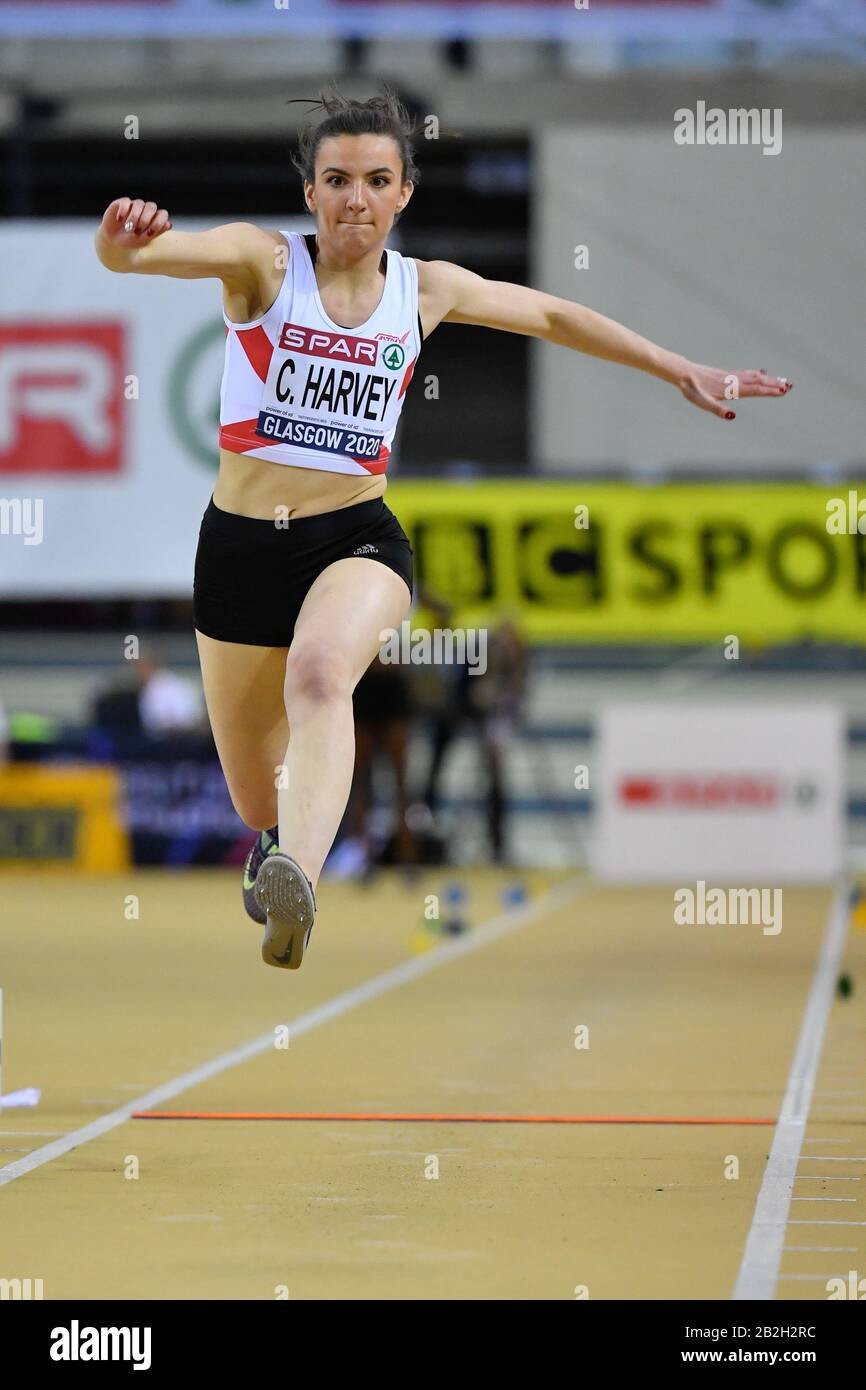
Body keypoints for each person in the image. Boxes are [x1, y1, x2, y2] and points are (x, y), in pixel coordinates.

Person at [93, 85, 792, 971]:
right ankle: (275, 845)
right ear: (310, 191)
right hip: (238, 552)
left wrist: (677, 367)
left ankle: (298, 880)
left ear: (404, 192)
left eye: (377, 180)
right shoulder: (266, 264)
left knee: (320, 677)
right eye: (337, 179)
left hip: (354, 542)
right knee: (249, 791)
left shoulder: (425, 291)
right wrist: (120, 242)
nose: (356, 199)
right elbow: (143, 258)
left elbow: (550, 314)